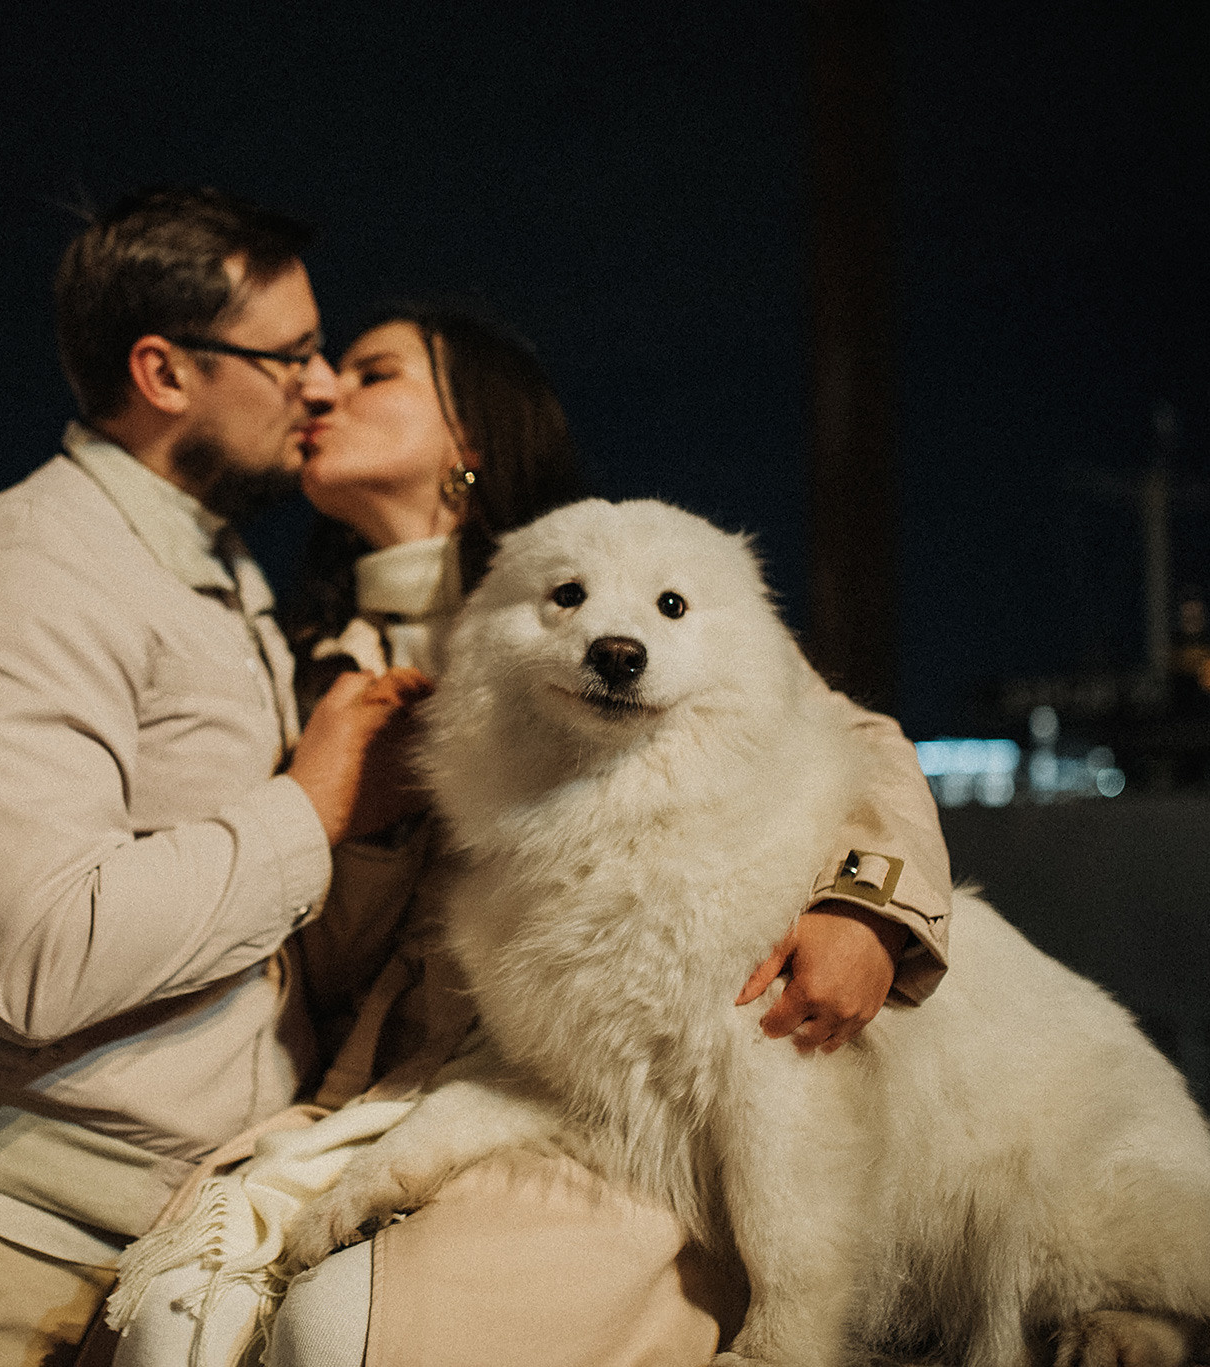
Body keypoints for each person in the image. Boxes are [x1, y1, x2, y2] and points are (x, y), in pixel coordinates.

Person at [105, 304, 953, 1367]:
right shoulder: (307, 650)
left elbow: (854, 738)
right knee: (194, 1318)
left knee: (347, 1329)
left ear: (468, 434)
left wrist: (868, 906)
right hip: (428, 1077)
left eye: (371, 372)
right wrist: (331, 808)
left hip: (608, 1081)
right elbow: (313, 956)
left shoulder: (603, 565)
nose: (319, 388)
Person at [0, 187, 430, 1367]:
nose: (318, 384)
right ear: (163, 371)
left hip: (154, 1249)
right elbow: (39, 954)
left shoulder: (208, 566)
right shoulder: (25, 574)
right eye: (290, 354)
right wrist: (311, 804)